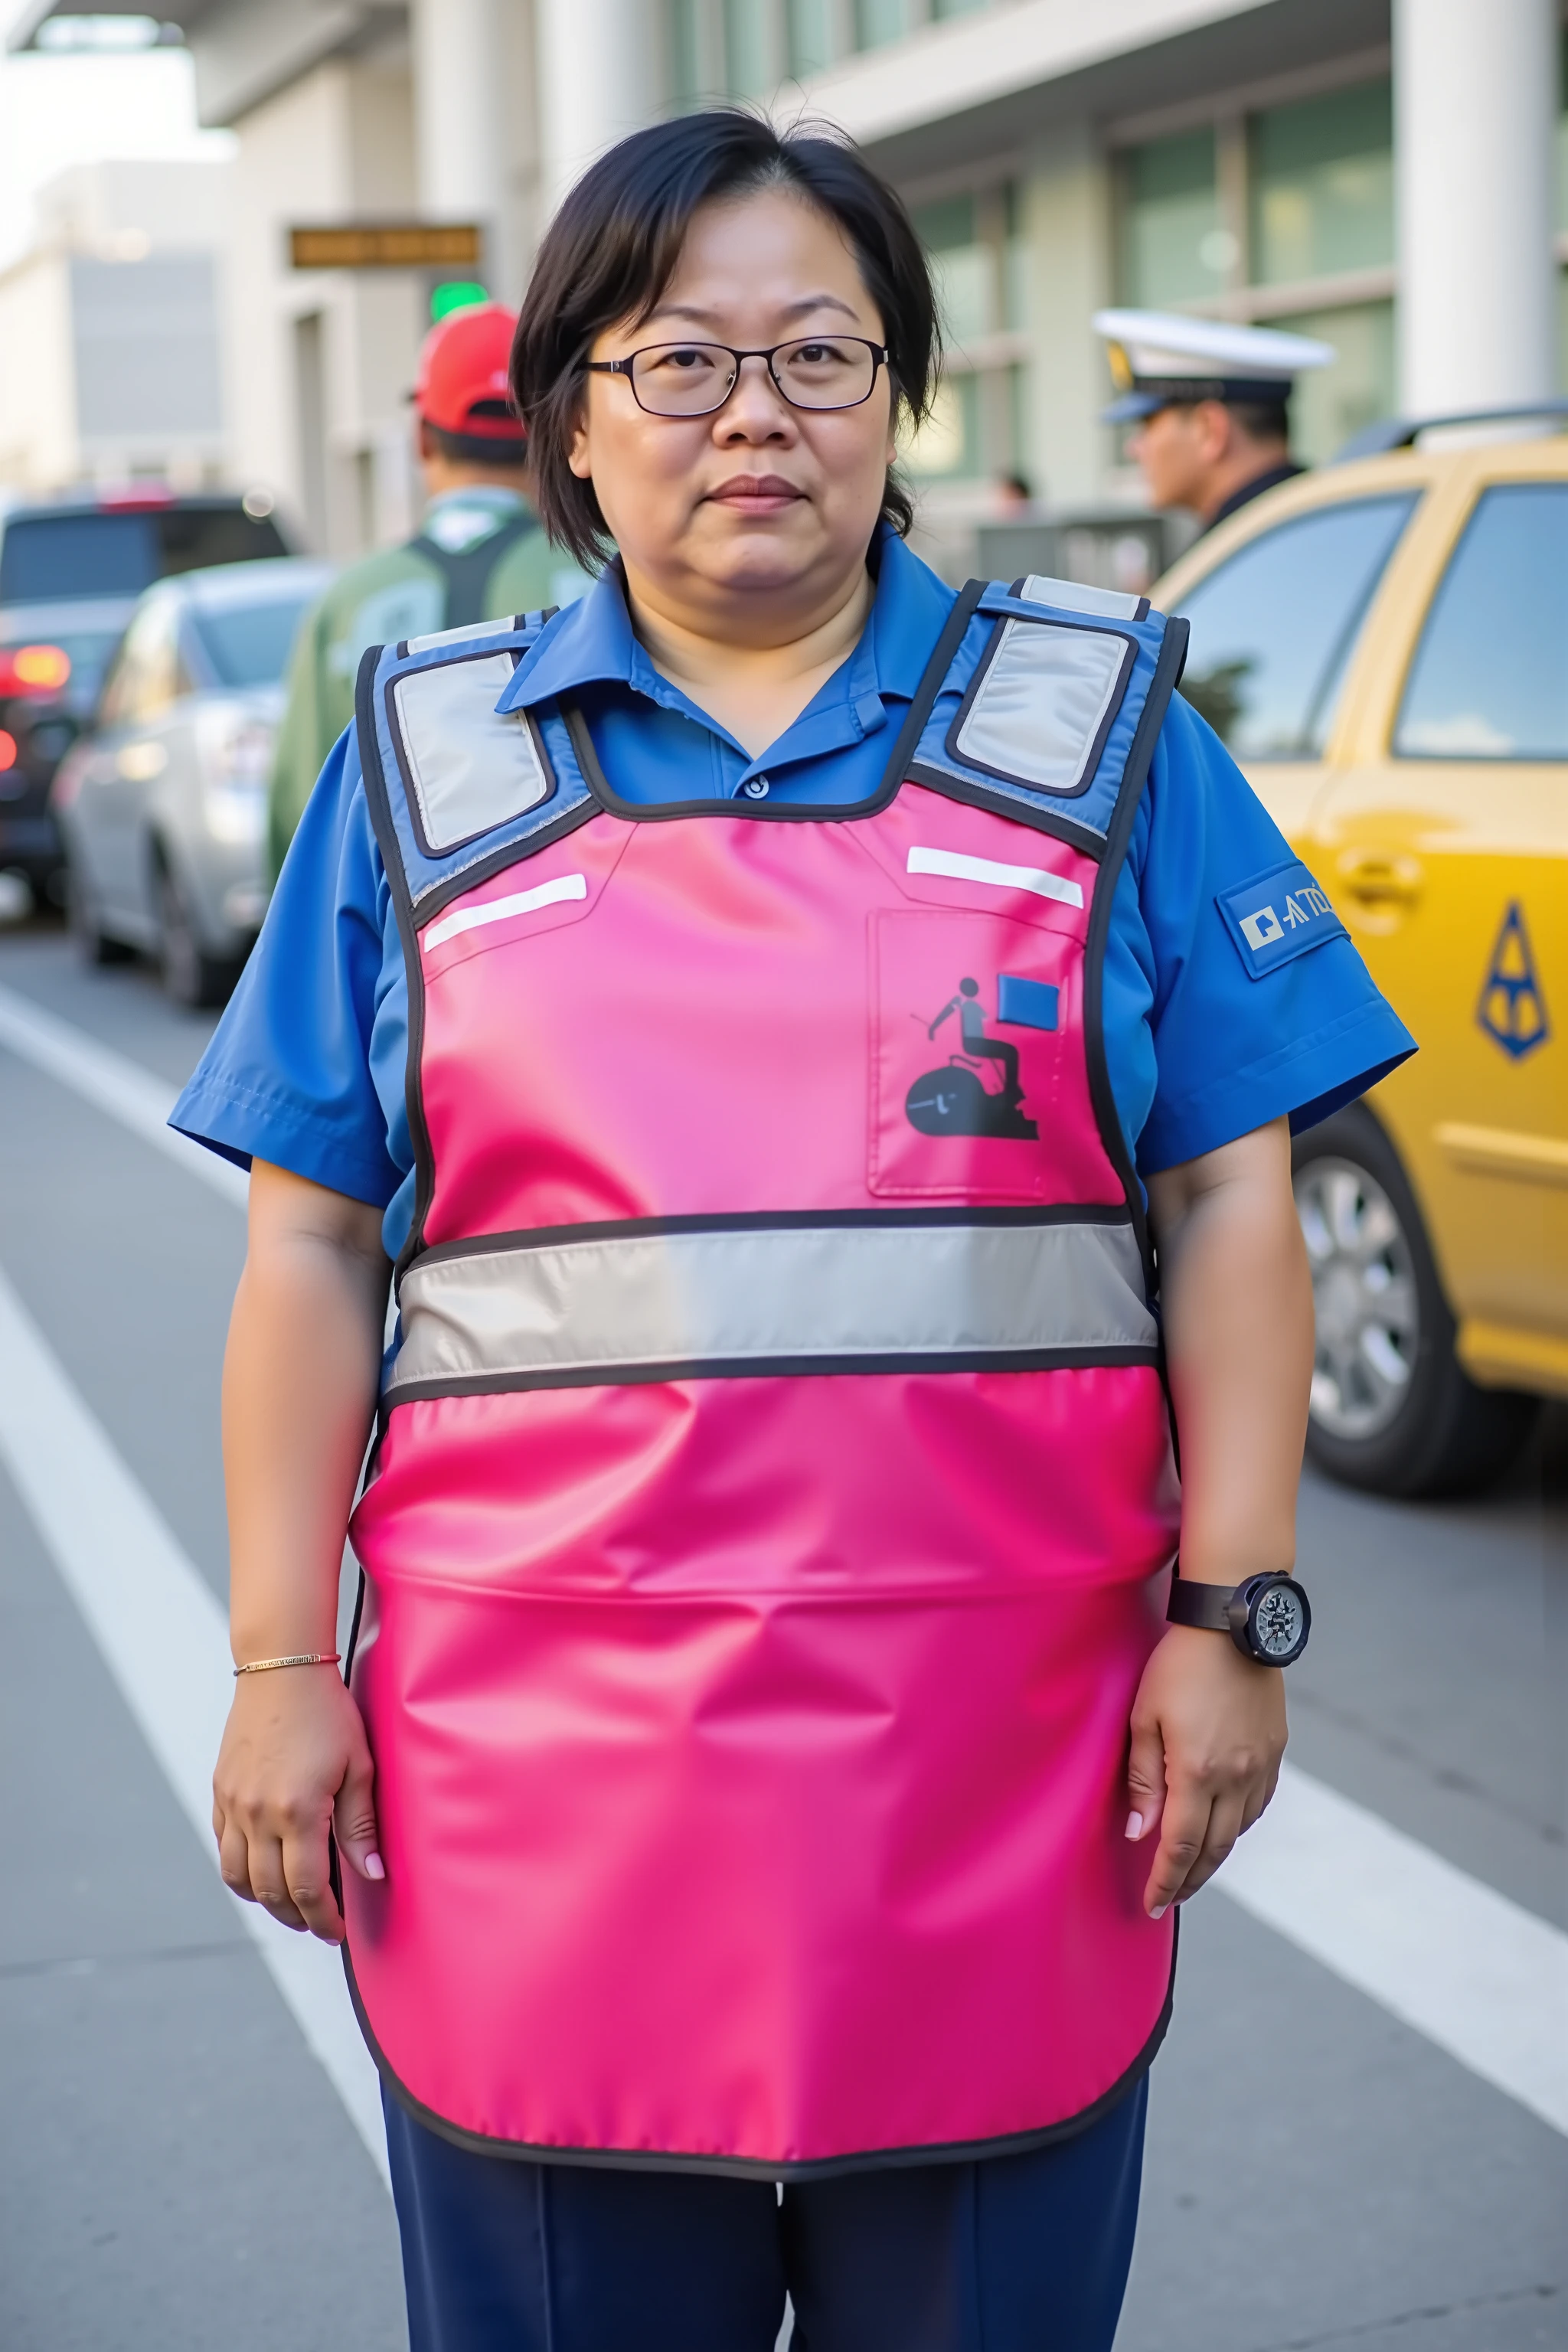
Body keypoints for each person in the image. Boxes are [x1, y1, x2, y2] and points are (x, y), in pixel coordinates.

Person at [175, 111, 1413, 2352]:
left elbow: (1233, 1187)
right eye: (680, 361)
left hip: (1000, 1782)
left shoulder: (1102, 731)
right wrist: (278, 1667)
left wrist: (1232, 1612)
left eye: (821, 356)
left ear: (899, 399)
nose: (755, 415)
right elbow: (304, 1243)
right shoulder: (422, 765)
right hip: (531, 1785)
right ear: (568, 414)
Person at [266, 299, 590, 875]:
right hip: (581, 933)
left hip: (404, 947)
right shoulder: (614, 576)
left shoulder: (346, 604)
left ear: (421, 437)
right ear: (558, 427)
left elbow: (301, 823)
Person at [1093, 308, 1334, 532]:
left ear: (1210, 430)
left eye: (1148, 424)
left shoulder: (1249, 548)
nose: (1133, 449)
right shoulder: (1317, 520)